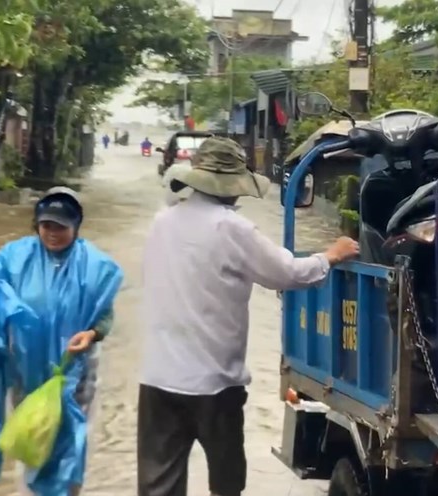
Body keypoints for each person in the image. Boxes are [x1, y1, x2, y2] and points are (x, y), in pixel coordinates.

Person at [137, 137, 359, 496]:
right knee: (226, 484)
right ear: (233, 185)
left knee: (158, 487)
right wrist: (331, 255)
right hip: (214, 383)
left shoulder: (161, 222)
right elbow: (287, 273)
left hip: (158, 378)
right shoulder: (232, 228)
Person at [0, 187, 124, 495]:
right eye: (46, 225)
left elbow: (104, 314)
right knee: (31, 434)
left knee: (71, 443)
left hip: (74, 371)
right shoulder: (13, 259)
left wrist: (92, 334)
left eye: (61, 226)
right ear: (36, 224)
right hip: (26, 368)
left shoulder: (94, 266)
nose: (52, 233)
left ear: (76, 226)